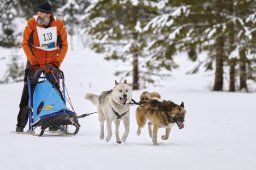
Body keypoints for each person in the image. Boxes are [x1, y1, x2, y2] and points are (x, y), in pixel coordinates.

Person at [16, 1, 68, 132]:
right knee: (27, 92)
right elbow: (25, 44)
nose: (38, 15)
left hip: (52, 63)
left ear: (49, 15)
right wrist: (33, 61)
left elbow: (64, 46)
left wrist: (56, 62)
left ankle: (55, 121)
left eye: (41, 13)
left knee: (55, 90)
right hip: (34, 62)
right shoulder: (32, 23)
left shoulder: (59, 25)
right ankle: (21, 124)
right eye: (38, 12)